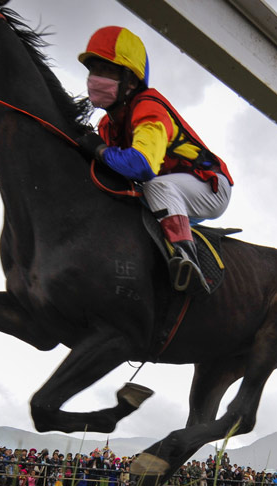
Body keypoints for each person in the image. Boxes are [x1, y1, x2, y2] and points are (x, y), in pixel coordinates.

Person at [76, 26, 233, 294]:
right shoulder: (106, 124)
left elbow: (141, 166)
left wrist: (100, 151)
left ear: (132, 82)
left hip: (210, 187)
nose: (96, 79)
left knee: (155, 186)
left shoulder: (149, 107)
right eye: (93, 70)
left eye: (108, 71)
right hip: (171, 194)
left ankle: (187, 259)